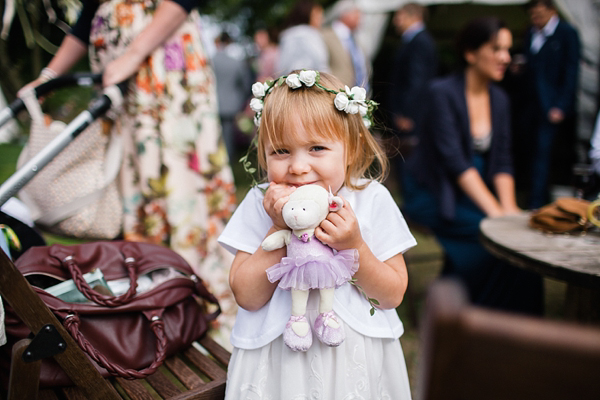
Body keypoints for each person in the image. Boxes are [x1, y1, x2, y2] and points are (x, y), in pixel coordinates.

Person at [19, 0, 237, 347]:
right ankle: (156, 300)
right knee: (135, 188)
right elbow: (87, 17)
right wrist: (48, 77)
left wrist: (135, 54)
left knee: (178, 180)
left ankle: (201, 302)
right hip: (119, 78)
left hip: (159, 66)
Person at [218, 70, 416, 399]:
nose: (297, 166)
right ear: (263, 153)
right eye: (280, 151)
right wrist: (280, 226)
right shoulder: (261, 202)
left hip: (353, 362)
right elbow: (247, 295)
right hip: (278, 364)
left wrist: (355, 247)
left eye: (317, 148)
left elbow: (392, 295)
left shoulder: (369, 199)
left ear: (350, 149)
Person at [402, 17, 544, 315]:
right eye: (496, 49)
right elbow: (455, 162)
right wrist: (496, 216)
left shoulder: (500, 99)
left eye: (507, 49)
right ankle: (474, 316)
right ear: (470, 53)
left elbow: (503, 159)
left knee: (522, 243)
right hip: (434, 191)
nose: (506, 57)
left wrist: (509, 210)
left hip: (473, 190)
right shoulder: (441, 93)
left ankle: (521, 324)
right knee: (492, 239)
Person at [515, 0, 581, 209]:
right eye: (533, 14)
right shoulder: (531, 32)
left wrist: (561, 105)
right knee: (528, 151)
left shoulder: (566, 32)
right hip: (529, 105)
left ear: (552, 10)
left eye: (540, 14)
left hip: (550, 107)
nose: (536, 18)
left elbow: (571, 72)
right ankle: (531, 196)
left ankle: (536, 203)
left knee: (543, 155)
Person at [389, 2, 437, 141]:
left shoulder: (419, 42)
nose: (395, 22)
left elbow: (416, 81)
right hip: (411, 114)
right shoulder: (417, 40)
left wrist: (406, 114)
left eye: (399, 16)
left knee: (409, 156)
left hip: (411, 117)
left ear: (414, 17)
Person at [213, 31, 252, 163]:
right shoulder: (236, 62)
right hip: (231, 104)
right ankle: (228, 161)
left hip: (213, 103)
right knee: (228, 135)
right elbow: (245, 84)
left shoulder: (210, 62)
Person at [321, 0, 370, 91]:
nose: (361, 18)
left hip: (359, 98)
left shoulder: (356, 40)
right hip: (335, 94)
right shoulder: (324, 35)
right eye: (357, 13)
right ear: (345, 14)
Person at [275, 1, 329, 76]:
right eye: (318, 16)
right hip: (314, 83)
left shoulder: (287, 36)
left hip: (290, 83)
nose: (322, 20)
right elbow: (321, 63)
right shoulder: (313, 35)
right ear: (307, 15)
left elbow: (281, 66)